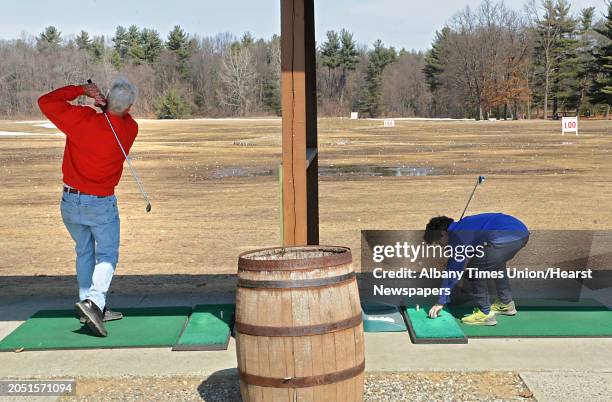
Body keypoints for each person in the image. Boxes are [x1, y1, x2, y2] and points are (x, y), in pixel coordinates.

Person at [38, 77, 139, 337]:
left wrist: (82, 91)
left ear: (105, 100)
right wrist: (108, 107)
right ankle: (94, 303)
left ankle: (91, 304)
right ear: (128, 107)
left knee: (84, 252)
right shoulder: (130, 129)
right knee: (106, 254)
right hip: (101, 203)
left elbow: (46, 101)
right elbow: (122, 118)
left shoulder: (81, 119)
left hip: (70, 201)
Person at [424, 213, 529, 326]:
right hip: (521, 234)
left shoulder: (456, 235)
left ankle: (485, 314)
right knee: (495, 263)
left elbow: (454, 270)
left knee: (474, 270)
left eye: (439, 243)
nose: (442, 246)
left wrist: (441, 302)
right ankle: (506, 303)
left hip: (506, 237)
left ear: (443, 233)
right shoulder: (462, 226)